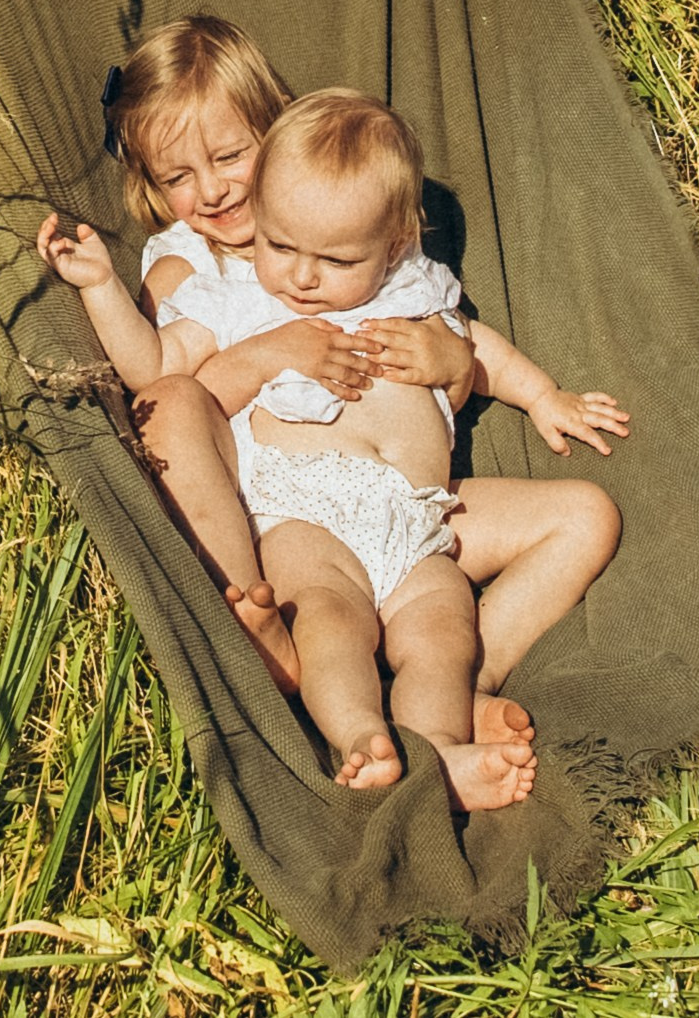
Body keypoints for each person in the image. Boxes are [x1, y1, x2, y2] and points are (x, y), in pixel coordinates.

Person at [40, 89, 626, 810]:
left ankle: (443, 731)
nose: (303, 276)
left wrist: (532, 392)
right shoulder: (242, 295)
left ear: (396, 243)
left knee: (462, 617)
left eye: (336, 258)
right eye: (280, 244)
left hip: (419, 521)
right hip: (305, 512)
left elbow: (481, 353)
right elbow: (167, 379)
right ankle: (359, 739)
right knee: (330, 623)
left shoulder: (415, 288)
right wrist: (115, 293)